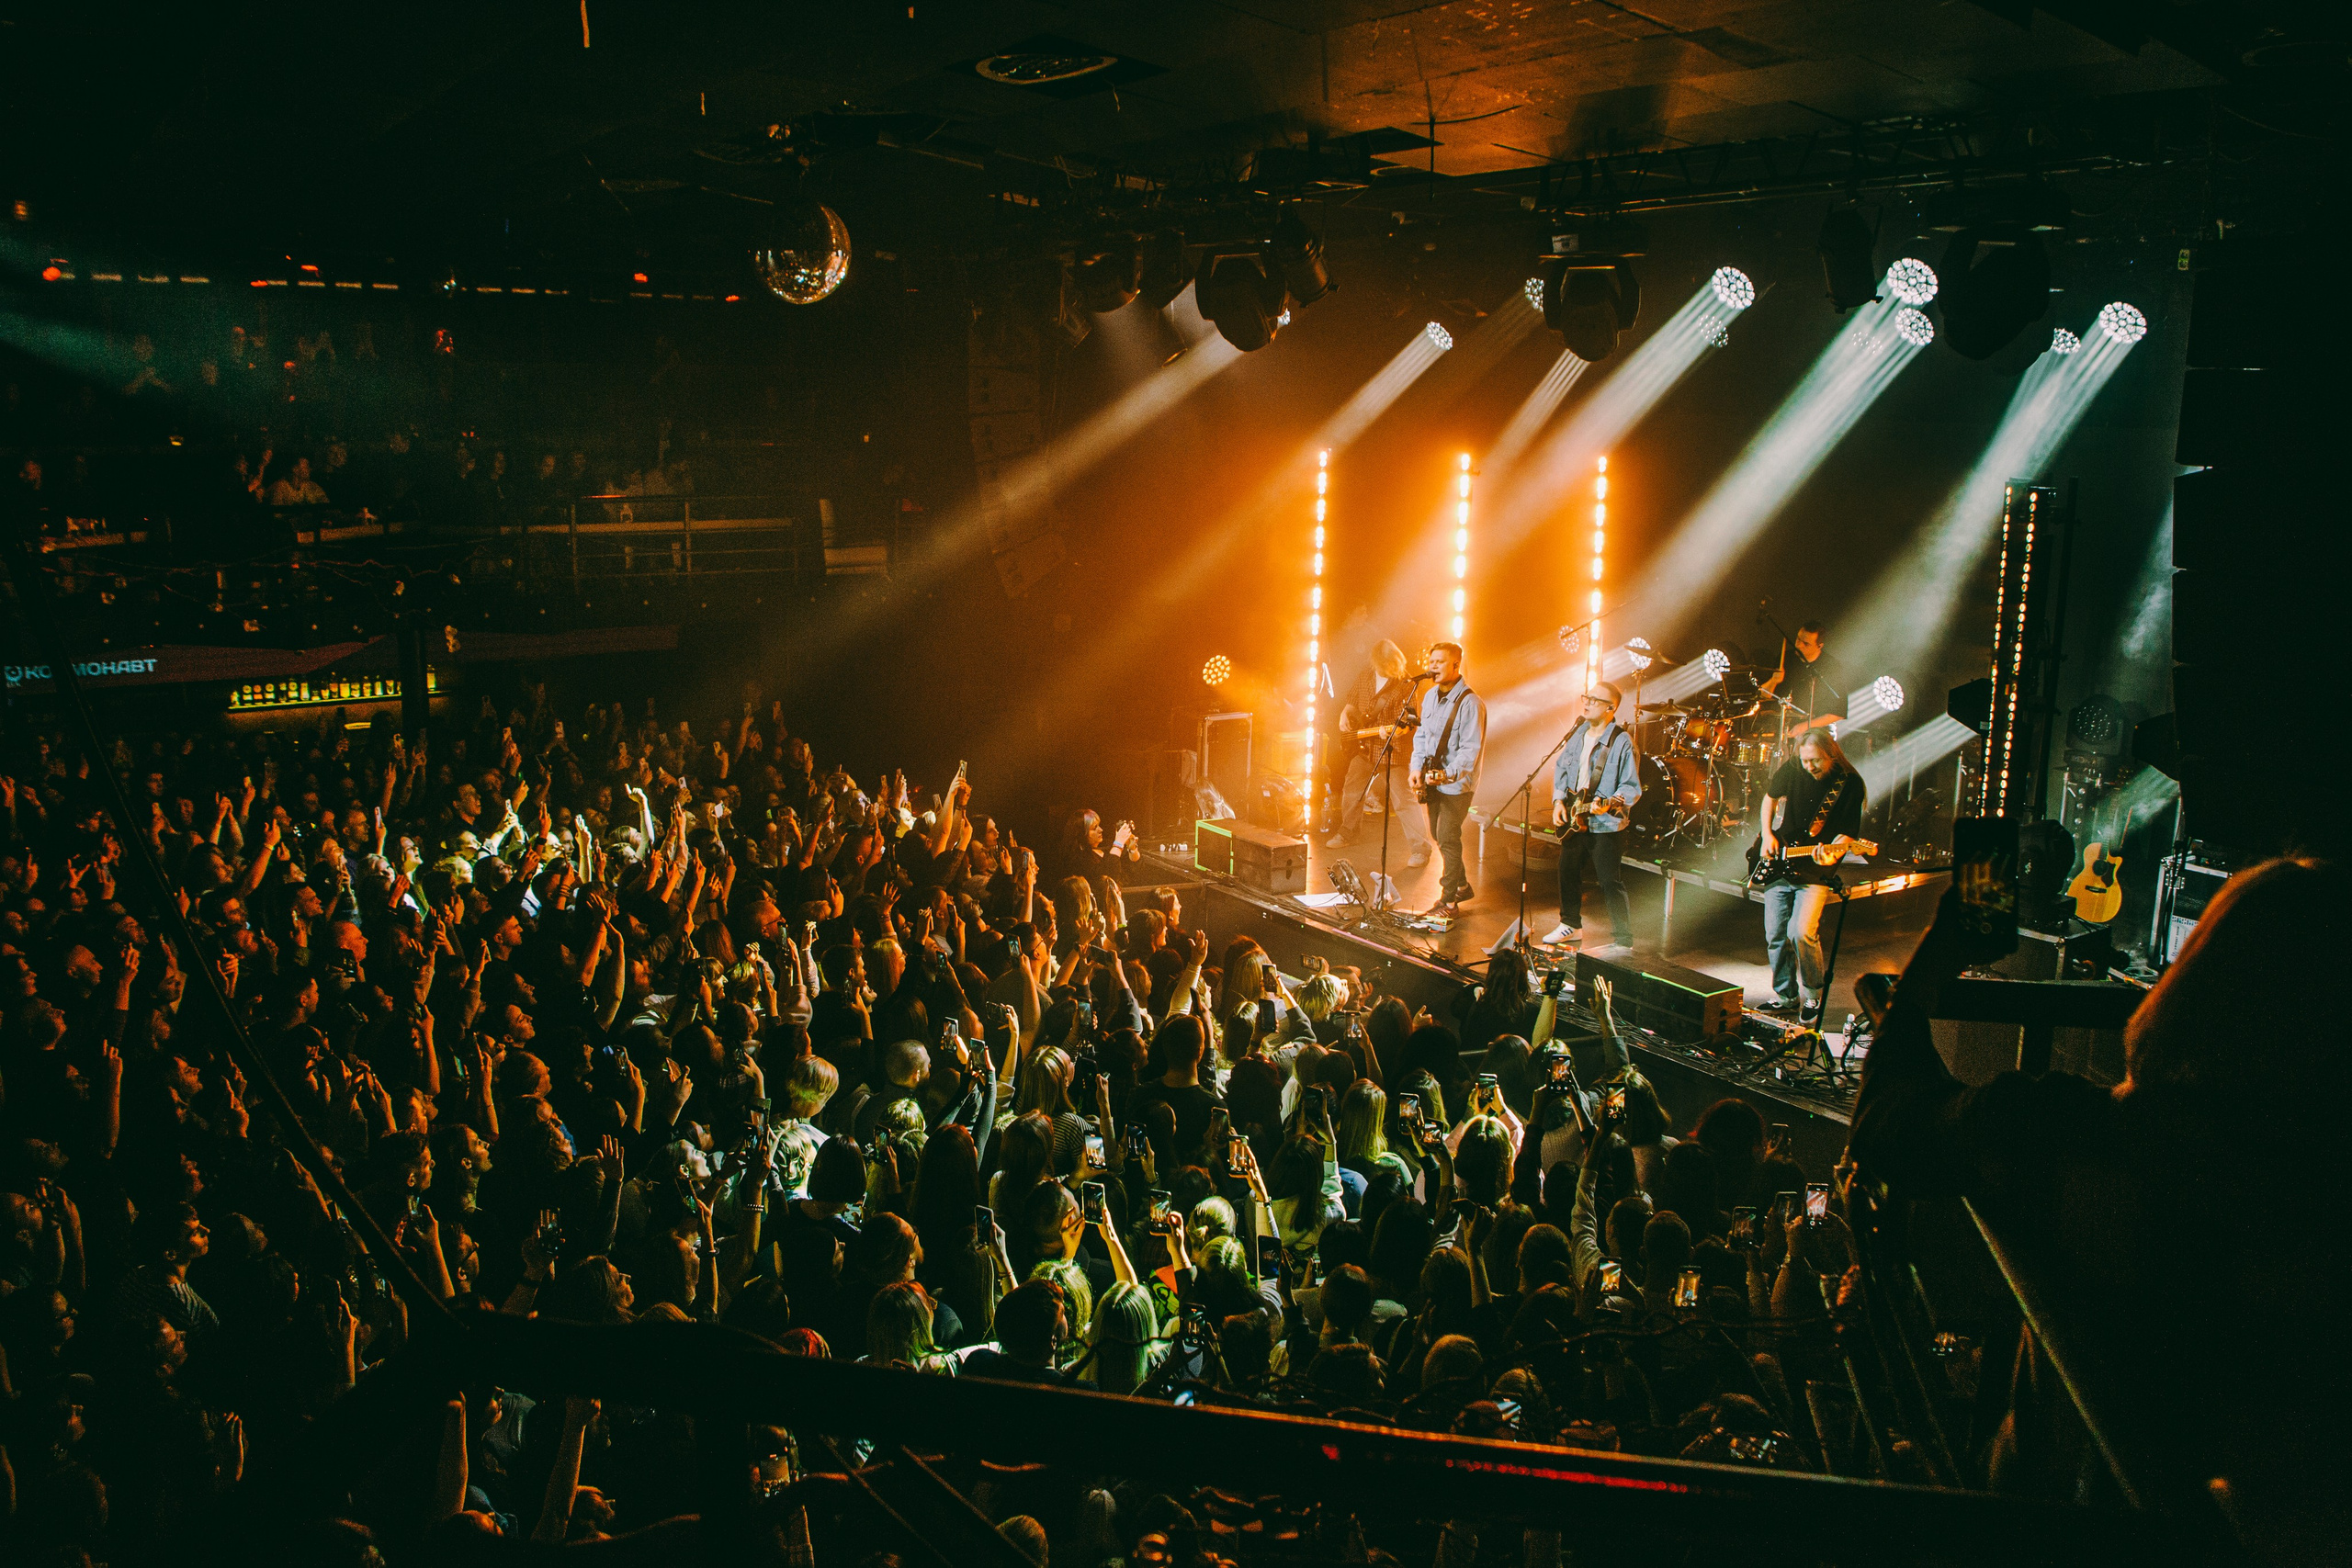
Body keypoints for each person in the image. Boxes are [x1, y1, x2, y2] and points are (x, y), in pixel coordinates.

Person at [1754, 730, 1865, 1024]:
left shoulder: (1849, 783)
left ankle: (1813, 995)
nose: (1809, 766)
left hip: (1816, 869)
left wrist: (1831, 855)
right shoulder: (1793, 767)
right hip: (1782, 859)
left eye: (1815, 760)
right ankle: (1786, 997)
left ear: (1831, 754)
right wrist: (1767, 834)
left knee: (1801, 932)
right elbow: (1769, 799)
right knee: (1775, 934)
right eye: (1805, 760)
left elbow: (1847, 834)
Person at [1541, 682, 1640, 954]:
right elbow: (1562, 767)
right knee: (1567, 870)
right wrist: (1558, 801)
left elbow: (1631, 787)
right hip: (1575, 815)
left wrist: (1610, 803)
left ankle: (1624, 939)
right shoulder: (1578, 732)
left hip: (1605, 824)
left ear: (1611, 708)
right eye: (1587, 697)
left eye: (1595, 700)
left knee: (1609, 881)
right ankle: (1570, 925)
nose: (1586, 702)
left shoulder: (1622, 741)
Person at [1327, 639, 1430, 861]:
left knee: (1404, 800)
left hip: (1394, 750)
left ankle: (1420, 849)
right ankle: (1348, 833)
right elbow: (1352, 699)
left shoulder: (1406, 683)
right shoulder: (1366, 675)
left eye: (1388, 665)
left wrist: (1396, 731)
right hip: (1365, 747)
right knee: (1352, 790)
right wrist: (1345, 713)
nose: (1384, 669)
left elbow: (1409, 721)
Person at [1408, 642, 1485, 911]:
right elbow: (1421, 736)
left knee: (1448, 837)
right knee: (1437, 836)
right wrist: (1416, 768)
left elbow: (1470, 751)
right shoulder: (1429, 696)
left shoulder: (1471, 703)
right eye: (1431, 662)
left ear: (1455, 665)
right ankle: (1462, 886)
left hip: (1457, 785)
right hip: (1431, 780)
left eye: (1440, 662)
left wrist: (1446, 775)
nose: (1433, 667)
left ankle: (1448, 900)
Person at [1757, 621, 1845, 741]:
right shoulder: (1786, 658)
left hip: (1818, 731)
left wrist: (1805, 726)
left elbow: (1839, 712)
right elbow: (1762, 696)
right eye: (1798, 639)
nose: (1799, 645)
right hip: (1784, 726)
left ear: (1819, 646)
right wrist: (1773, 681)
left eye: (1806, 644)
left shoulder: (1831, 666)